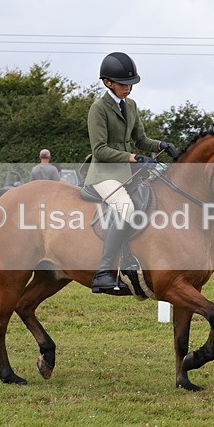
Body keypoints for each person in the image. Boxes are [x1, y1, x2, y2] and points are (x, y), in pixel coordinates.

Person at [85, 52, 178, 293]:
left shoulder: (131, 106)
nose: (128, 89)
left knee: (150, 204)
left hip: (127, 173)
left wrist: (160, 145)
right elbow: (100, 150)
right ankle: (104, 272)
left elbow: (141, 139)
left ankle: (134, 261)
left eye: (131, 84)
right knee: (126, 209)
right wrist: (134, 157)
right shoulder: (99, 108)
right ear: (108, 82)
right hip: (104, 175)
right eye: (124, 84)